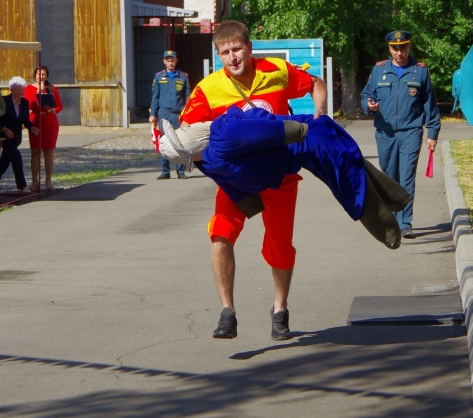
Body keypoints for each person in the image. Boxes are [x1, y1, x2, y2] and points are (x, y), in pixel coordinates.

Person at [179, 20, 327, 341]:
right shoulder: (208, 89)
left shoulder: (276, 71)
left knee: (280, 249)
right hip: (237, 179)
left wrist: (320, 114)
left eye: (236, 49)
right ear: (219, 55)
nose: (232, 57)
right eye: (224, 52)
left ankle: (280, 309)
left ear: (249, 48)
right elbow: (188, 133)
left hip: (279, 176)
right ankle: (227, 312)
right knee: (220, 234)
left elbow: (316, 83)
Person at [159, 105, 409, 249]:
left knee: (353, 164)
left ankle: (398, 197)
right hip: (311, 139)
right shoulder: (224, 134)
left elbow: (236, 190)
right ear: (189, 141)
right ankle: (388, 231)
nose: (186, 126)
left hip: (294, 160)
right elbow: (267, 131)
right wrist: (303, 128)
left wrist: (251, 205)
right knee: (352, 184)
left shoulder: (207, 161)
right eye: (183, 131)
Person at [360, 30, 441, 239]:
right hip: (385, 133)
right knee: (389, 176)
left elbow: (430, 105)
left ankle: (405, 223)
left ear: (409, 47)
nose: (399, 52)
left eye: (403, 47)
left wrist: (433, 132)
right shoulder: (379, 71)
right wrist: (369, 105)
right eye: (395, 48)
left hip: (411, 131)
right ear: (390, 49)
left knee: (407, 176)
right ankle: (392, 219)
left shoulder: (419, 71)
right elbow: (366, 95)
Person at [149, 50, 190, 180]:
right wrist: (153, 114)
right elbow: (155, 96)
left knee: (179, 141)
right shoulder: (158, 77)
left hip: (178, 113)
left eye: (172, 60)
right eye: (167, 60)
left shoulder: (183, 76)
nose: (170, 62)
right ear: (164, 61)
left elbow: (188, 97)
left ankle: (180, 171)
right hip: (164, 113)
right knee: (164, 141)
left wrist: (188, 114)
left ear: (176, 61)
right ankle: (165, 171)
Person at [0, 76, 38, 193]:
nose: (21, 92)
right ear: (12, 90)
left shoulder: (24, 102)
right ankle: (22, 186)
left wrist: (31, 127)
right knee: (17, 158)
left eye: (22, 89)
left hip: (16, 137)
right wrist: (4, 129)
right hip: (4, 136)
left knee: (4, 162)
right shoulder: (4, 101)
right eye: (19, 90)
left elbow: (25, 120)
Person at [24, 65, 63, 192]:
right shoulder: (29, 88)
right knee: (35, 152)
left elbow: (59, 106)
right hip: (35, 121)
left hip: (50, 122)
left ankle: (48, 180)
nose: (41, 76)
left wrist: (52, 110)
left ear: (47, 76)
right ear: (35, 75)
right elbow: (26, 104)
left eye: (43, 74)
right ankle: (34, 181)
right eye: (38, 74)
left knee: (49, 152)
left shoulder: (51, 88)